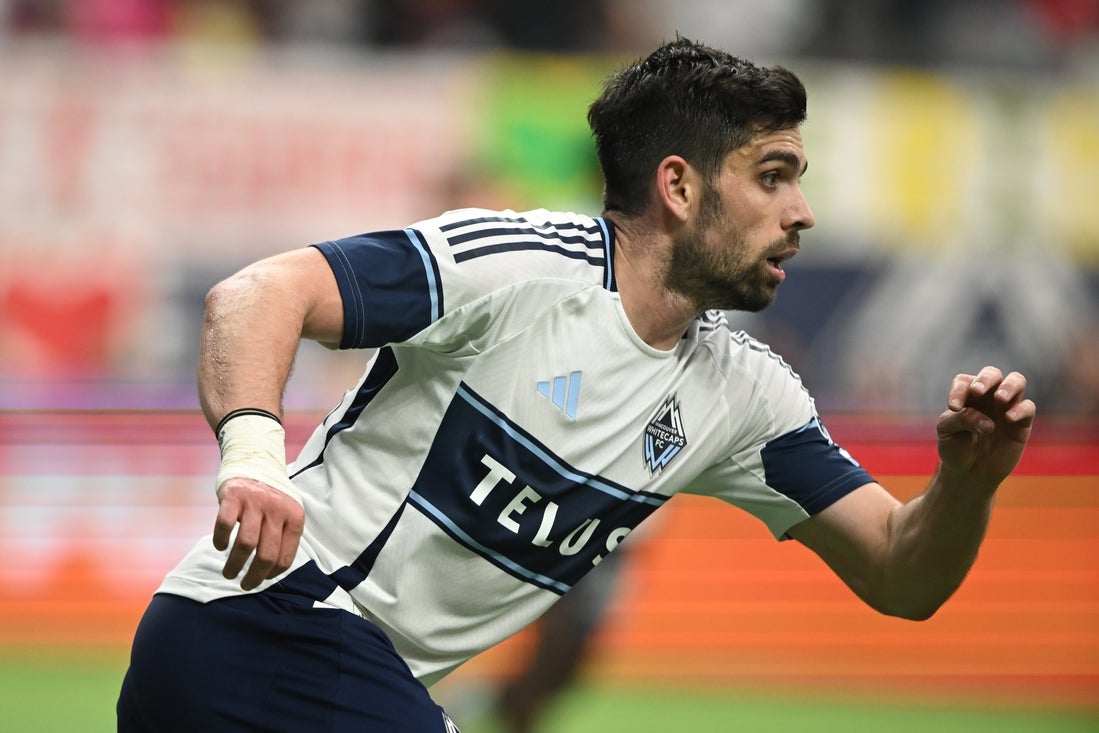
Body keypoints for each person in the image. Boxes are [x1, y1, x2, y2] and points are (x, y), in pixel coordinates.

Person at [117, 37, 1036, 732]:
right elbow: (257, 295)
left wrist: (967, 482)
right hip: (261, 620)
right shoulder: (518, 267)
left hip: (351, 678)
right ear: (678, 187)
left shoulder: (746, 395)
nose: (801, 212)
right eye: (772, 177)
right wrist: (254, 460)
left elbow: (900, 573)